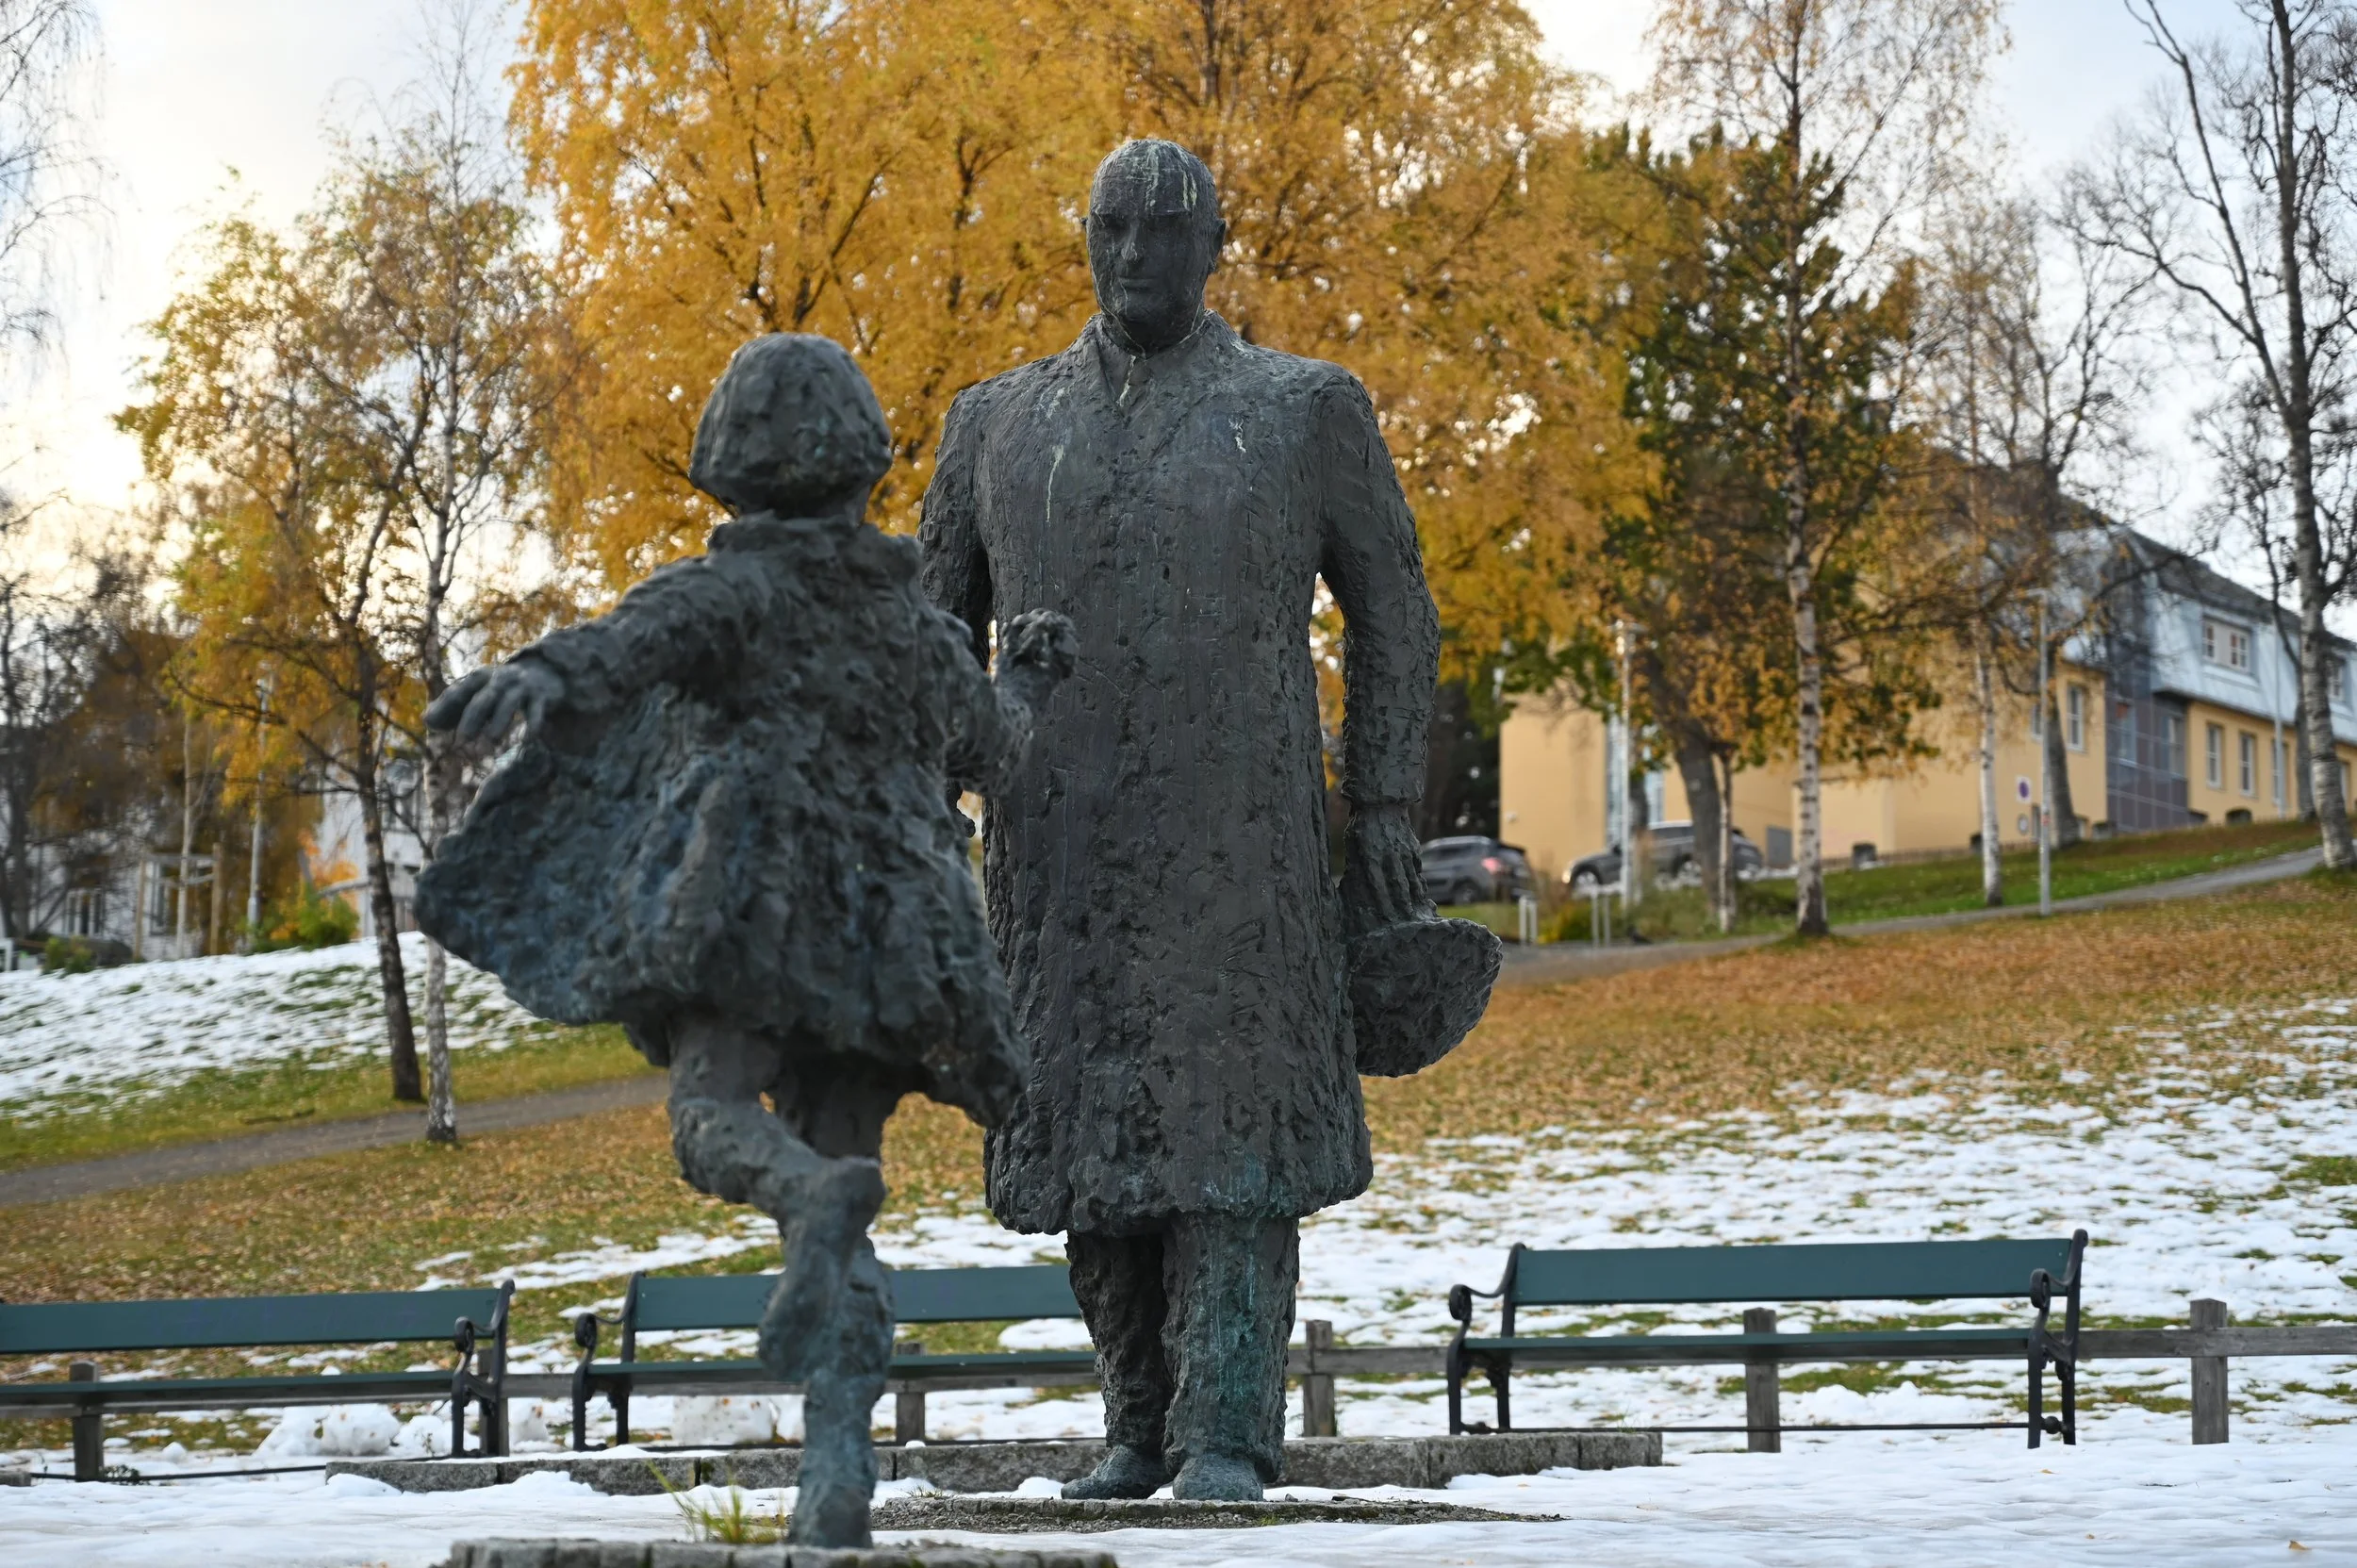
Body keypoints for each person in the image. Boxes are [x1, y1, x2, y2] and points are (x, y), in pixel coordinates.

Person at [417, 332, 1073, 1546]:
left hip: (757, 907)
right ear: (861, 461)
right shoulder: (919, 627)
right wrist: (1027, 675)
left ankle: (803, 1192)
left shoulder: (740, 588)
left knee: (712, 1121)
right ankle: (835, 1478)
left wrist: (539, 674)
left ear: (734, 460)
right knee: (849, 1194)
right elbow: (999, 750)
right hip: (894, 935)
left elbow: (631, 647)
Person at [919, 139, 1442, 1502]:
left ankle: (1227, 1432)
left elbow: (1396, 607)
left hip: (1250, 840)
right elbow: (924, 646)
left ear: (1216, 242)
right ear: (1084, 238)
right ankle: (1136, 1426)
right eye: (1114, 229)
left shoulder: (1299, 407)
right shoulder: (994, 422)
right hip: (1059, 842)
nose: (1137, 254)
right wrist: (930, 785)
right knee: (1084, 1143)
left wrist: (1383, 800)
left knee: (1233, 1136)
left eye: (1167, 229)